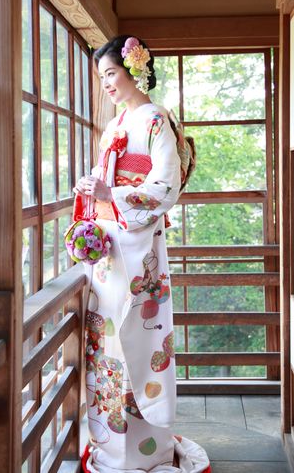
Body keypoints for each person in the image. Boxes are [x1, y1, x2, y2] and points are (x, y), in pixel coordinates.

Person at [73, 35, 211, 473]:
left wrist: (111, 194)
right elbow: (105, 179)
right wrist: (92, 188)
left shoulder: (155, 119)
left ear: (135, 70)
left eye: (111, 73)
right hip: (109, 252)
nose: (106, 84)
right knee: (106, 343)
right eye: (101, 77)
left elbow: (165, 186)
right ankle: (111, 449)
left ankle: (147, 451)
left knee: (140, 336)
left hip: (139, 249)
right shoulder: (116, 124)